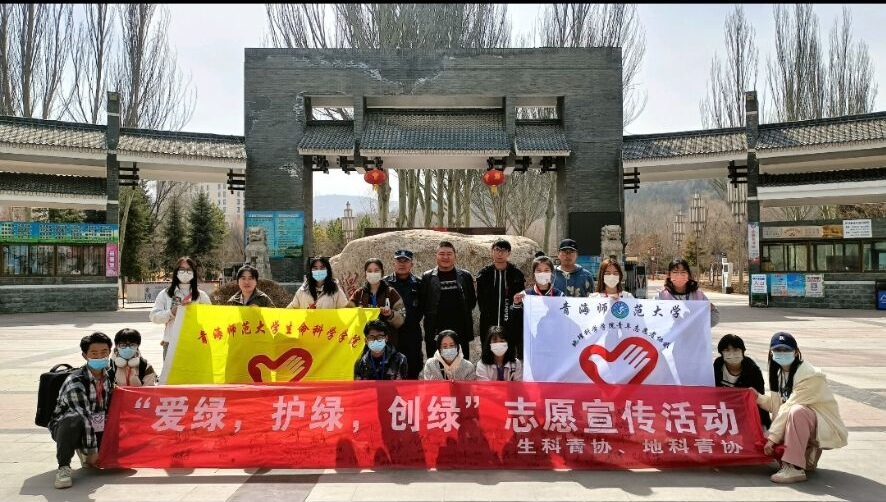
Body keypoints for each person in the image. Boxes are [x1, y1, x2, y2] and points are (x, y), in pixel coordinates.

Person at [757, 332, 848, 484]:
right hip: (806, 425)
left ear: (796, 352)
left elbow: (789, 406)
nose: (781, 353)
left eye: (786, 350)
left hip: (823, 426)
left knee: (797, 411)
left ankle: (794, 468)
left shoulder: (810, 375)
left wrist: (772, 438)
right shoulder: (780, 373)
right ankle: (802, 460)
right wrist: (757, 398)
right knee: (793, 412)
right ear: (771, 352)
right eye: (777, 350)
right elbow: (779, 405)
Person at [49, 332, 114, 489]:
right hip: (72, 426)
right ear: (85, 355)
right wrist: (92, 451)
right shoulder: (75, 381)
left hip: (97, 422)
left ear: (110, 352)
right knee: (73, 419)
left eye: (104, 352)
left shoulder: (108, 376)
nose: (100, 357)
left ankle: (89, 452)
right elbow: (83, 416)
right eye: (94, 353)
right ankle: (64, 467)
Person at [419, 241, 477, 359]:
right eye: (442, 254)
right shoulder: (427, 277)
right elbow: (423, 303)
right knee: (436, 364)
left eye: (449, 254)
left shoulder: (465, 276)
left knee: (461, 363)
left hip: (460, 328)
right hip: (435, 329)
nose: (445, 257)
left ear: (455, 256)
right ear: (436, 256)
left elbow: (471, 301)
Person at [149, 256, 212, 360]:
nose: (185, 273)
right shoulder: (165, 294)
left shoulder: (201, 295)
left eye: (189, 270)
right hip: (171, 343)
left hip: (194, 343)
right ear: (176, 272)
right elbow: (153, 317)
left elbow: (210, 318)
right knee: (171, 371)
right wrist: (171, 312)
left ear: (194, 272)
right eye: (182, 269)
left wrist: (196, 314)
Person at [511, 255, 566, 358]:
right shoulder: (525, 295)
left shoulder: (559, 295)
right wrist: (516, 305)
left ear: (552, 273)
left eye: (546, 270)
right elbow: (516, 323)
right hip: (530, 346)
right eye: (539, 271)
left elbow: (564, 322)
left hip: (553, 346)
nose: (542, 274)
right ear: (534, 273)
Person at [475, 239, 526, 349]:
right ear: (492, 251)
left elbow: (520, 300)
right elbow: (481, 299)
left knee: (509, 351)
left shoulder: (516, 274)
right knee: (488, 351)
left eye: (504, 250)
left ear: (509, 253)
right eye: (497, 250)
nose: (500, 253)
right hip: (488, 321)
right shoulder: (484, 274)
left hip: (510, 321)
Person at [712, 334, 770, 430]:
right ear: (721, 353)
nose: (732, 354)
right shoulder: (718, 365)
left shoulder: (753, 370)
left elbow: (760, 399)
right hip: (723, 412)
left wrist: (764, 425)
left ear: (743, 351)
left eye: (736, 350)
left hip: (745, 414)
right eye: (727, 350)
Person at [383, 249, 425, 379]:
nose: (402, 264)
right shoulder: (384, 284)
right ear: (393, 263)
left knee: (412, 371)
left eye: (405, 261)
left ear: (411, 264)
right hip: (390, 334)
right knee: (388, 373)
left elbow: (425, 307)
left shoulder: (419, 284)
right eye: (399, 261)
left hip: (412, 334)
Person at [347, 258, 405, 340]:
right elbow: (347, 313)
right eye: (369, 271)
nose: (373, 273)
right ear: (365, 274)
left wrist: (390, 314)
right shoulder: (359, 294)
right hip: (363, 341)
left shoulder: (391, 292)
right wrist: (357, 312)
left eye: (376, 270)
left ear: (382, 273)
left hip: (387, 341)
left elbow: (401, 319)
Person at [654, 258, 720, 327]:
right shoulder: (661, 296)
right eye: (675, 272)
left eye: (683, 272)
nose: (679, 276)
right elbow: (652, 319)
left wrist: (710, 310)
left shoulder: (697, 295)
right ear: (669, 275)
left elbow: (714, 318)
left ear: (688, 275)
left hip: (693, 333)